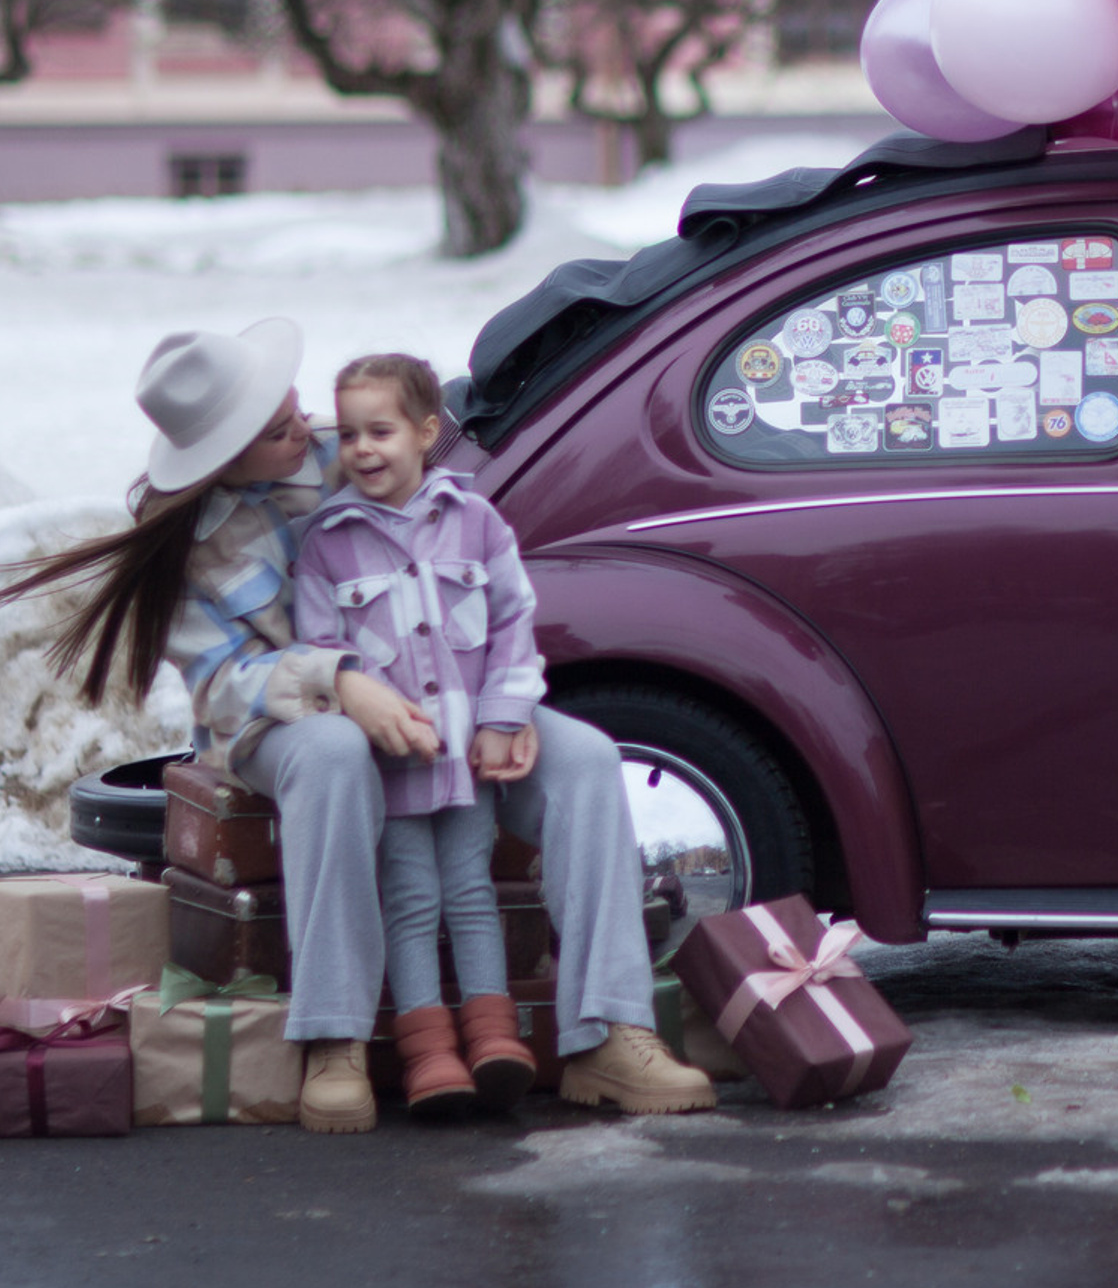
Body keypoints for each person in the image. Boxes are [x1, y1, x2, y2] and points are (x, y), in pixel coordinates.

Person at [2, 320, 715, 1132]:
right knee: (337, 752)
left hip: (437, 698)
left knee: (583, 758)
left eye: (296, 409)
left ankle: (608, 1031)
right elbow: (227, 686)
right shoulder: (186, 549)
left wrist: (499, 708)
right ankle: (334, 1033)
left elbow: (464, 542)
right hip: (283, 724)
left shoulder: (348, 445)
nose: (306, 430)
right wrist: (342, 683)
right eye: (278, 429)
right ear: (221, 458)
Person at [292, 354, 544, 1119]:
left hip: (468, 756)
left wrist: (505, 717)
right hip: (392, 765)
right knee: (408, 899)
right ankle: (429, 1052)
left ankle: (494, 1035)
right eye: (350, 435)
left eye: (382, 431)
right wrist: (364, 713)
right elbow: (320, 649)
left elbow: (512, 622)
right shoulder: (326, 544)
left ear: (427, 432)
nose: (363, 449)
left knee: (470, 893)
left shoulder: (475, 523)